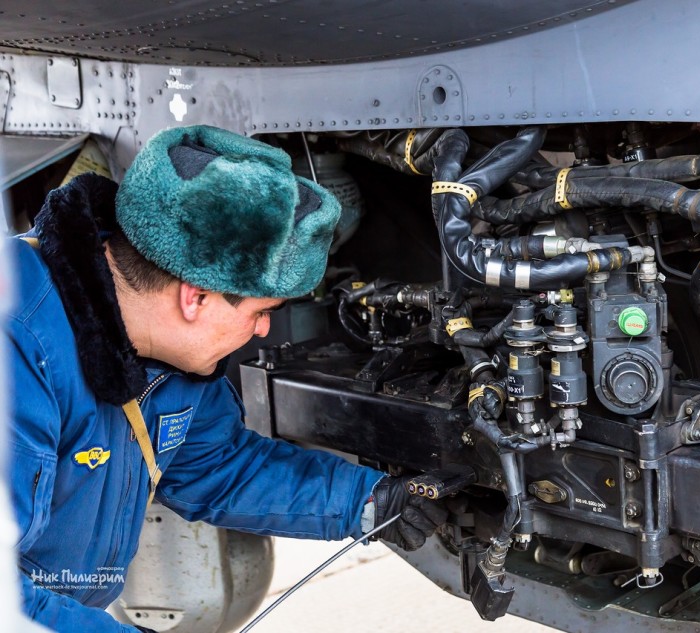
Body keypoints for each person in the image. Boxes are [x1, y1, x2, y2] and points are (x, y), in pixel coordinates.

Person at [4, 125, 447, 632]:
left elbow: (218, 465)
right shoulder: (18, 347)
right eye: (262, 312)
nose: (263, 330)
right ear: (195, 298)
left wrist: (366, 501)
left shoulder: (163, 348)